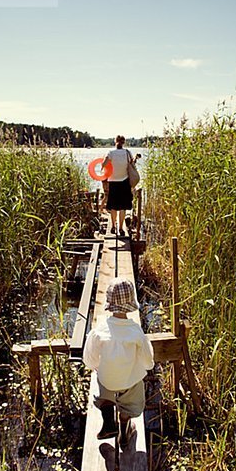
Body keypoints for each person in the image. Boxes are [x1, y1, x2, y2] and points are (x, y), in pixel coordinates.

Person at [83, 277, 154, 449]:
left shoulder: (99, 330)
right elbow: (148, 361)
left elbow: (89, 359)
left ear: (109, 302)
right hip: (130, 379)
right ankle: (125, 427)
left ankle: (108, 422)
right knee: (131, 399)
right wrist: (143, 365)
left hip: (108, 380)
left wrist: (98, 367)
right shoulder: (136, 331)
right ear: (131, 302)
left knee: (104, 382)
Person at [102, 135, 134, 236]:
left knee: (113, 207)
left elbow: (103, 164)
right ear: (123, 142)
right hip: (124, 182)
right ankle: (120, 228)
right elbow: (132, 164)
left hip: (113, 183)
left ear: (115, 141)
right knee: (123, 207)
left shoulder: (110, 153)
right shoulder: (127, 153)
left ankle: (113, 227)